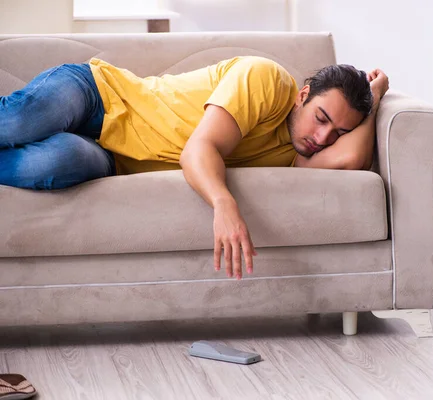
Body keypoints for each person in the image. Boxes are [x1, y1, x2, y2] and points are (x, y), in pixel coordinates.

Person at [0, 55, 389, 279]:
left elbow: (353, 159)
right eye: (321, 118)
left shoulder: (298, 154)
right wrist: (223, 204)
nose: (322, 138)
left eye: (338, 132)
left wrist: (374, 95)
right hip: (99, 95)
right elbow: (198, 149)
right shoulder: (266, 81)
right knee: (19, 123)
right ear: (303, 95)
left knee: (49, 163)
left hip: (108, 158)